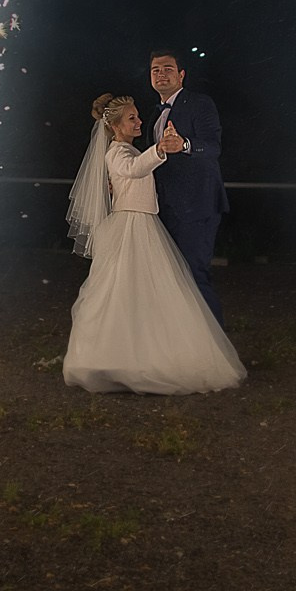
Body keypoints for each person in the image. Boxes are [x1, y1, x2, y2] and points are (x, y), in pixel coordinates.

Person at [61, 93, 246, 395]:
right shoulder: (117, 152)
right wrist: (160, 148)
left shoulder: (128, 149)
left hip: (144, 224)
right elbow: (136, 169)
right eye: (132, 118)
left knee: (145, 293)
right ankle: (121, 358)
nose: (139, 121)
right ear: (116, 126)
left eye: (137, 116)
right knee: (124, 292)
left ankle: (141, 355)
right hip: (130, 227)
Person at [145, 50, 227, 323]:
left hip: (197, 206)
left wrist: (186, 145)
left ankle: (215, 348)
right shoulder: (153, 115)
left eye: (168, 68)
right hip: (165, 209)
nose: (161, 74)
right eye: (156, 69)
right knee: (170, 277)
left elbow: (214, 147)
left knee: (195, 274)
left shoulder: (200, 103)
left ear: (181, 75)